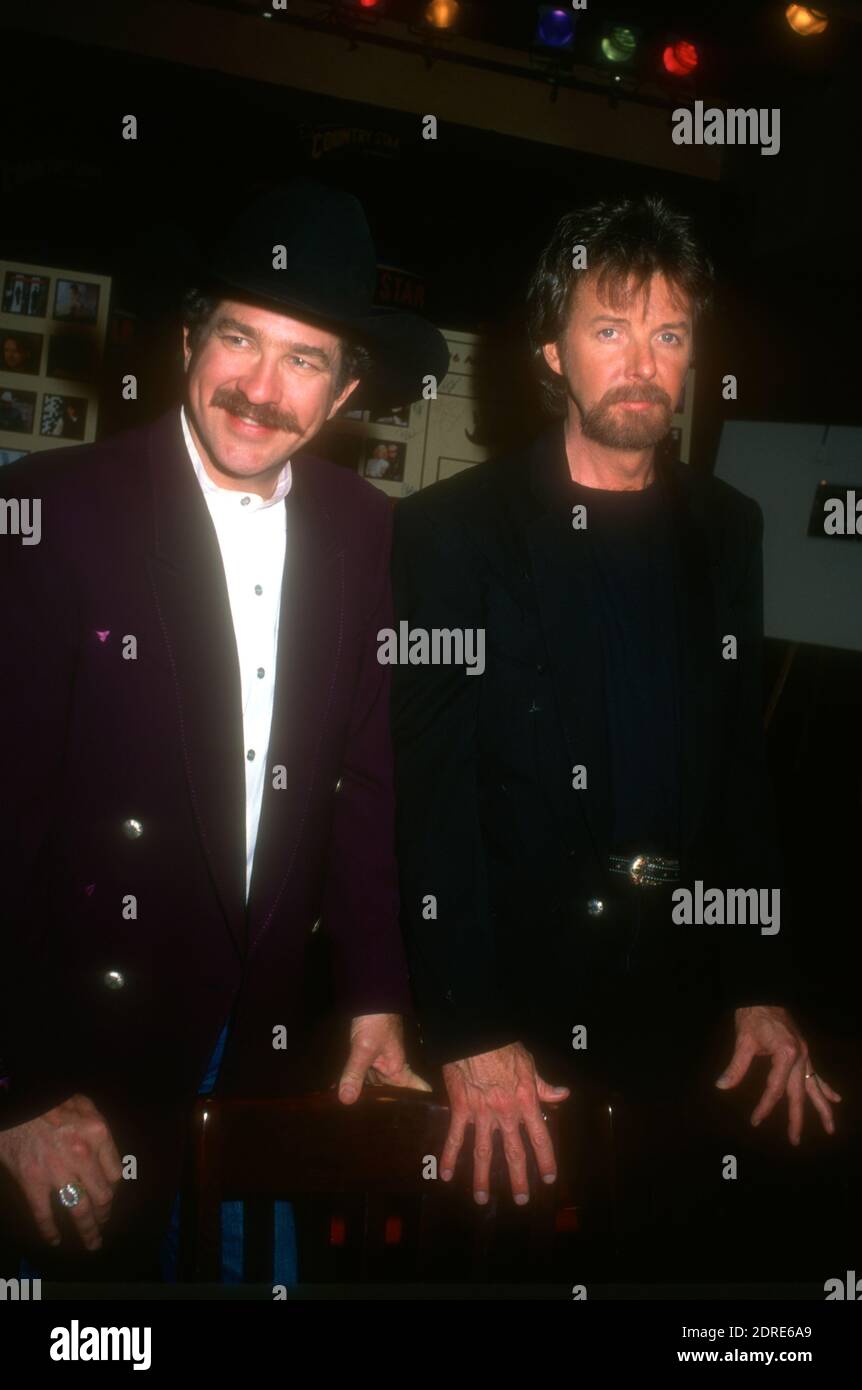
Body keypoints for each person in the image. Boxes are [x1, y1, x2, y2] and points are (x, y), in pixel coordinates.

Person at [0, 179, 448, 1283]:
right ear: (189, 337)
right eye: (240, 338)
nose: (260, 387)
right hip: (76, 1043)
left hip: (262, 1037)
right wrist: (13, 1091)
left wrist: (379, 994)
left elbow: (362, 785)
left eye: (304, 358)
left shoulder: (366, 533)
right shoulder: (51, 512)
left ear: (344, 390)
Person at [391, 194, 841, 1281]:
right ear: (552, 349)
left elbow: (740, 771)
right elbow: (427, 793)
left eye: (669, 333)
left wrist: (759, 976)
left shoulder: (729, 526)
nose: (642, 360)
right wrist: (464, 1026)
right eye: (609, 328)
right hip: (515, 1012)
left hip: (682, 1006)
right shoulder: (450, 532)